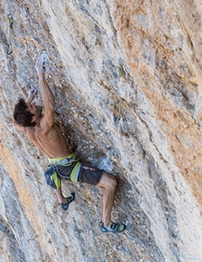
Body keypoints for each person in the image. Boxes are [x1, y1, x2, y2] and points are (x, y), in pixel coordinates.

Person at [13, 54, 126, 234]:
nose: (35, 104)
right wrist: (41, 76)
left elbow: (17, 122)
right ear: (33, 118)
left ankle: (62, 199)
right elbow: (50, 108)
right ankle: (106, 223)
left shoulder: (28, 129)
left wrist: (28, 99)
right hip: (70, 168)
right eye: (33, 107)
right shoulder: (42, 127)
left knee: (101, 181)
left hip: (58, 166)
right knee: (111, 183)